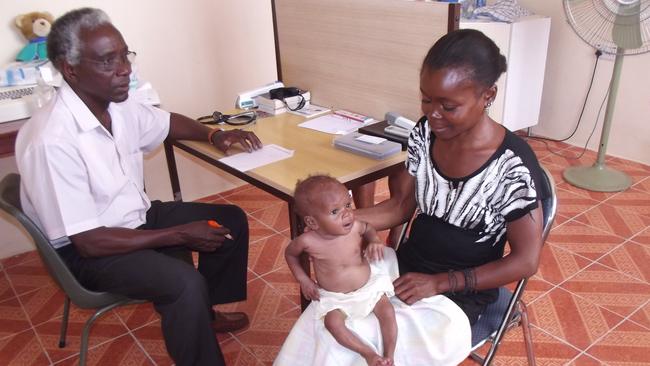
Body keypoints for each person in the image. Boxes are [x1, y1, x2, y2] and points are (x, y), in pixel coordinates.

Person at [15, 8, 263, 366]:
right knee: (183, 283)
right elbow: (88, 241)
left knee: (230, 220)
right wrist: (178, 234)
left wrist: (215, 134)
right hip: (88, 251)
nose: (124, 69)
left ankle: (204, 317)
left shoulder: (117, 104)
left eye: (124, 55)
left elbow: (165, 123)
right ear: (69, 69)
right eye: (107, 61)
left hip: (133, 216)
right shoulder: (52, 140)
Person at [356, 28, 550, 325]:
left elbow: (526, 261)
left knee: (373, 339)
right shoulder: (425, 133)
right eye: (426, 101)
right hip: (406, 268)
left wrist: (439, 283)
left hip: (461, 293)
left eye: (448, 106)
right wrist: (348, 222)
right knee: (335, 311)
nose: (433, 114)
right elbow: (401, 206)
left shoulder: (512, 166)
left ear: (488, 96)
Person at [285, 175, 398, 366]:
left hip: (368, 286)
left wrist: (375, 240)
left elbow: (369, 229)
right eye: (335, 211)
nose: (346, 214)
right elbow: (290, 255)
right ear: (312, 222)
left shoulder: (355, 227)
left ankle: (389, 354)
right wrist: (303, 279)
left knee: (387, 311)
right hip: (336, 297)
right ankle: (368, 354)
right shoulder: (308, 241)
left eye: (348, 205)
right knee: (333, 324)